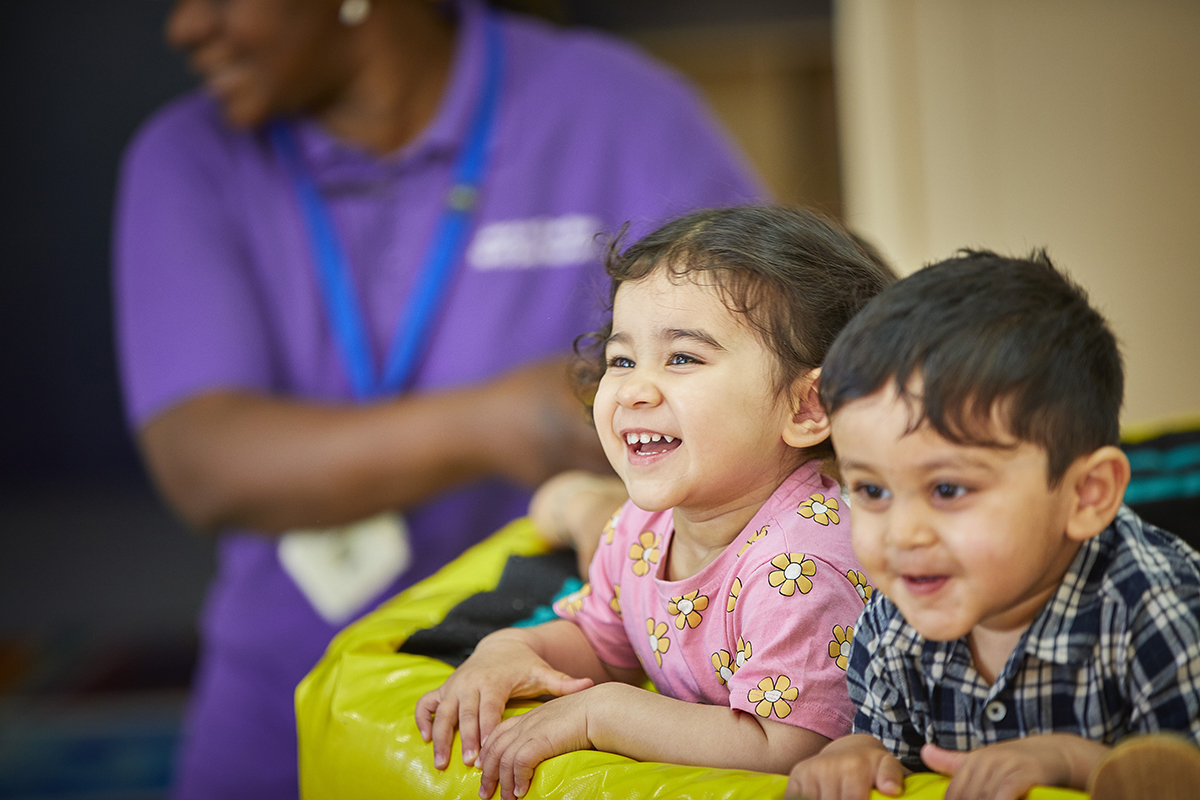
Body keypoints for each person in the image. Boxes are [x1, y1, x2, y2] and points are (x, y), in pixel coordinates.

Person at [112, 0, 764, 797]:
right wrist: (506, 422)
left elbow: (798, 355)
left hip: (553, 699)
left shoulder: (620, 108)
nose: (184, 26)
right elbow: (203, 462)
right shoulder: (187, 154)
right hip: (282, 688)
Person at [414, 205, 897, 800]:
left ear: (806, 408)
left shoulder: (801, 564)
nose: (635, 389)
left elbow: (788, 747)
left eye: (684, 358)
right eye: (622, 359)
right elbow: (602, 644)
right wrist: (510, 650)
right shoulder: (641, 525)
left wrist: (602, 714)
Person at [786, 250, 1200, 800]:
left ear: (1086, 495)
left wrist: (1073, 763)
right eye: (872, 490)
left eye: (949, 489)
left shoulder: (1157, 610)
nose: (903, 534)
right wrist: (858, 753)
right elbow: (890, 754)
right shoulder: (891, 622)